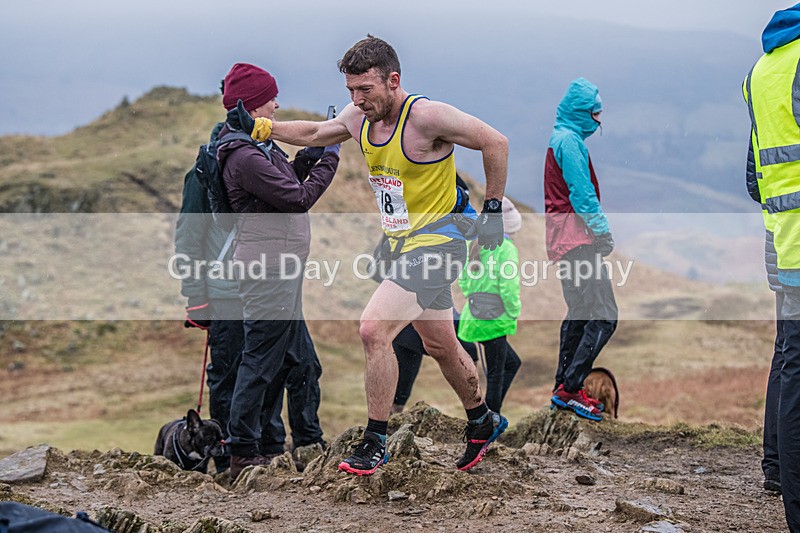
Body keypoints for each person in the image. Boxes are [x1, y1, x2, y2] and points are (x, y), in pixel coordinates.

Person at [228, 35, 510, 475]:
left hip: (441, 240)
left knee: (373, 329)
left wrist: (492, 209)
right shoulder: (360, 117)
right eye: (350, 92)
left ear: (392, 81)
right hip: (402, 245)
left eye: (365, 90)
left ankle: (375, 441)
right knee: (439, 343)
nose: (357, 100)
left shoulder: (426, 116)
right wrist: (263, 128)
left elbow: (496, 142)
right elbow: (318, 133)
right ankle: (482, 419)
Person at [215, 62, 339, 480]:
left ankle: (287, 442)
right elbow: (298, 197)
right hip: (267, 272)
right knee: (260, 362)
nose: (277, 103)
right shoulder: (245, 155)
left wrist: (310, 154)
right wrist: (331, 158)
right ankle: (243, 451)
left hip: (281, 269)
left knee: (300, 360)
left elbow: (283, 184)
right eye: (270, 98)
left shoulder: (257, 148)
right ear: (252, 105)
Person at [743, 5, 800, 528]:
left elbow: (754, 174)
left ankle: (777, 468)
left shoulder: (762, 69)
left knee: (789, 355)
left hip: (782, 237)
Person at [544, 78, 618, 422]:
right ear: (582, 112)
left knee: (579, 312)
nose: (599, 120)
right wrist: (602, 231)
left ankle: (564, 389)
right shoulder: (570, 142)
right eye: (596, 112)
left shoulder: (560, 138)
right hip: (579, 238)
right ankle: (570, 386)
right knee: (604, 315)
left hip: (563, 240)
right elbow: (581, 192)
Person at [457, 197, 523, 414]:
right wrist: (513, 312)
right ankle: (491, 421)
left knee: (511, 363)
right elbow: (509, 287)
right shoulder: (506, 249)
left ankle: (488, 416)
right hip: (495, 319)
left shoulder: (473, 244)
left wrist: (475, 298)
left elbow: (463, 280)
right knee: (495, 375)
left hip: (475, 316)